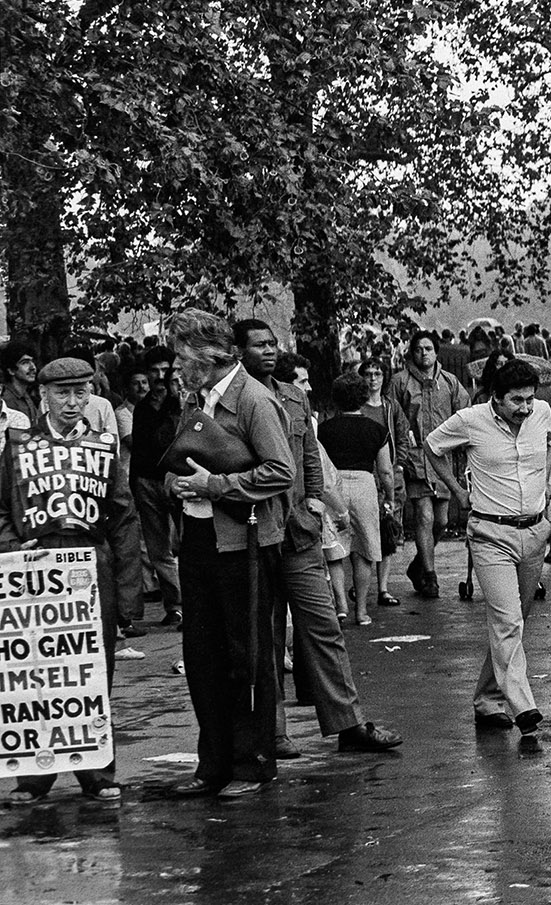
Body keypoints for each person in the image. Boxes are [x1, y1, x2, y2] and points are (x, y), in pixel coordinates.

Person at [234, 320, 402, 759]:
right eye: (258, 345)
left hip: (297, 531)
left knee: (325, 628)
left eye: (272, 344)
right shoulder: (233, 401)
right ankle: (273, 733)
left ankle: (349, 724)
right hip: (255, 532)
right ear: (238, 351)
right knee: (266, 637)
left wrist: (313, 501)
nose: (268, 351)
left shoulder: (292, 396)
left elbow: (310, 454)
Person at [163, 310, 295, 799]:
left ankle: (251, 764)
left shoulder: (255, 400)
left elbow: (282, 471)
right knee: (202, 657)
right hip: (198, 543)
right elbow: (181, 464)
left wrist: (216, 485)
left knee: (247, 656)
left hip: (246, 547)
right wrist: (176, 481)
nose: (175, 365)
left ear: (205, 353)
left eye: (180, 354)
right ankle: (212, 764)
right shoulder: (197, 400)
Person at [5, 357, 133, 803]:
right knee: (37, 670)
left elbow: (123, 517)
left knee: (93, 671)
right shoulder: (18, 445)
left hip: (90, 566)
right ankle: (35, 777)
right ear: (43, 395)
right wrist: (10, 548)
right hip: (33, 570)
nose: (73, 402)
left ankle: (97, 773)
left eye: (82, 392)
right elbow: (3, 508)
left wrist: (128, 592)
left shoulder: (102, 445)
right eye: (63, 393)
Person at [426, 357, 551, 754]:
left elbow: (550, 443)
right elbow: (433, 446)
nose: (525, 407)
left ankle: (487, 699)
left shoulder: (541, 414)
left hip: (534, 531)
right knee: (507, 622)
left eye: (530, 399)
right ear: (495, 399)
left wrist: (544, 490)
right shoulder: (471, 420)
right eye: (516, 401)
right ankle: (524, 708)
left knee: (513, 622)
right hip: (490, 533)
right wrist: (457, 491)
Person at [393, 329, 470, 598]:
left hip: (442, 461)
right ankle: (429, 576)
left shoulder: (449, 381)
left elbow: (464, 413)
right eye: (418, 349)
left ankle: (418, 565)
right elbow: (394, 417)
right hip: (415, 459)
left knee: (441, 520)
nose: (423, 353)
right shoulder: (401, 382)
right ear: (411, 353)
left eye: (428, 349)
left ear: (436, 352)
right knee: (424, 517)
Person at [317, 373, 395, 627]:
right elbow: (385, 470)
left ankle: (340, 604)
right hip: (364, 485)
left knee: (335, 548)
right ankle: (361, 611)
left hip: (333, 484)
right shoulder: (377, 430)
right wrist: (390, 498)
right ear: (363, 398)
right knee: (364, 550)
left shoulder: (324, 430)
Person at [128, 346, 183, 626]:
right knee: (158, 549)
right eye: (155, 371)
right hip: (147, 482)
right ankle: (176, 605)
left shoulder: (182, 404)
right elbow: (137, 449)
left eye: (165, 370)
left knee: (186, 545)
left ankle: (192, 603)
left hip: (177, 480)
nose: (160, 376)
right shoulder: (141, 408)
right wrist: (134, 485)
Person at [357, 359, 412, 606]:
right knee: (363, 531)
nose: (372, 379)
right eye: (368, 374)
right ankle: (362, 587)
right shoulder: (356, 407)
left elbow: (402, 435)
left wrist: (398, 463)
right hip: (363, 474)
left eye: (377, 374)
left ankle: (383, 588)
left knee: (388, 532)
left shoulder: (391, 407)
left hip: (389, 473)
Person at [1, 342, 39, 425]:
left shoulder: (26, 397)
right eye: (25, 362)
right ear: (11, 370)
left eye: (32, 362)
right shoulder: (5, 399)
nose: (33, 367)